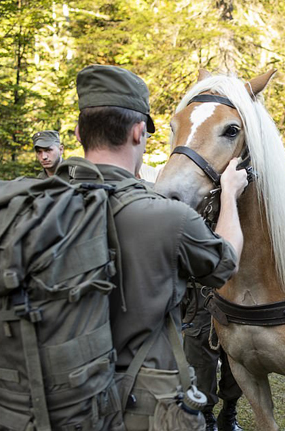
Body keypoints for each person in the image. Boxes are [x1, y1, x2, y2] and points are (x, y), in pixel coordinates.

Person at [73, 64, 248, 430]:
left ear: (76, 133)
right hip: (137, 403)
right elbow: (225, 262)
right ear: (139, 132)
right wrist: (229, 196)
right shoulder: (164, 216)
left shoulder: (18, 205)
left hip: (44, 403)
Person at [182, 283, 244, 431]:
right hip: (201, 288)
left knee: (237, 353)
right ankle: (205, 416)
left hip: (236, 288)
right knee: (201, 357)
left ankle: (229, 411)